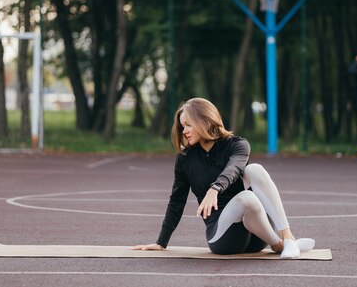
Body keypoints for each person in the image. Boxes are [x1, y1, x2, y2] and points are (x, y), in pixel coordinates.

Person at [131, 97, 315, 259]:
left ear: (204, 120)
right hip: (224, 238)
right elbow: (177, 200)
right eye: (182, 126)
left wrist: (215, 188)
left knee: (255, 170)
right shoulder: (185, 159)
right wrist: (161, 242)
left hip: (257, 234)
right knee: (247, 198)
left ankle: (288, 236)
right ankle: (279, 244)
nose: (184, 131)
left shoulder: (238, 145)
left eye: (188, 124)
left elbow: (234, 167)